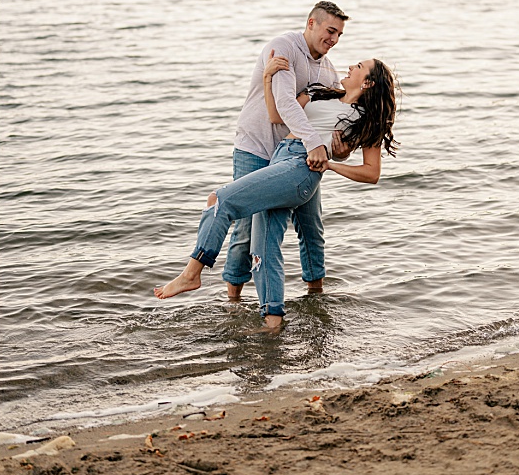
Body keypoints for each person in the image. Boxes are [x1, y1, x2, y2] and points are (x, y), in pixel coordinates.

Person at [154, 55, 397, 330]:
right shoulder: (319, 94)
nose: (351, 66)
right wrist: (268, 78)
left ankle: (192, 273)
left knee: (220, 199)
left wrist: (330, 164)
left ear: (367, 83)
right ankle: (273, 321)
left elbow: (371, 173)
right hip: (279, 160)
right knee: (262, 248)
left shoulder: (364, 119)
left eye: (359, 67)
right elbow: (276, 117)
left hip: (299, 170)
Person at [224, 1, 349, 301]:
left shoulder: (329, 72)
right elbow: (282, 107)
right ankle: (234, 303)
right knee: (244, 230)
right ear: (311, 24)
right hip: (257, 147)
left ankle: (316, 298)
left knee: (311, 227)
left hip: (296, 157)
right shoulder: (284, 48)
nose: (333, 39)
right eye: (330, 30)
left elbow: (333, 126)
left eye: (339, 34)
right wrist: (315, 144)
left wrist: (339, 152)